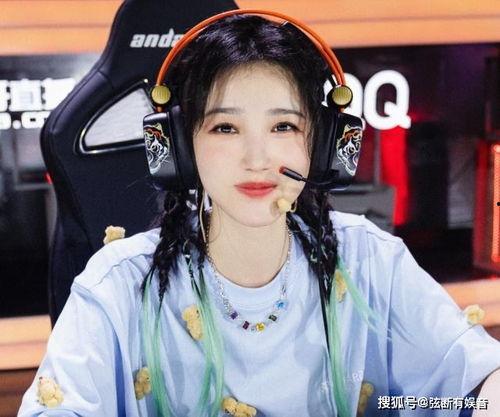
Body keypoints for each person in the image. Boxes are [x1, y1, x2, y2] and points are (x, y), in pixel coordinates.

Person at [18, 11, 500, 417]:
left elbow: (473, 384)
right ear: (180, 148)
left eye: (283, 126)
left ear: (323, 145)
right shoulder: (118, 285)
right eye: (225, 127)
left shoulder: (370, 261)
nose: (256, 159)